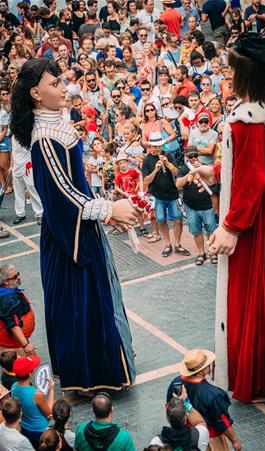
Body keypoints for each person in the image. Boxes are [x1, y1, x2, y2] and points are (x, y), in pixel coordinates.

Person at [11, 58, 138, 393]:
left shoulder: (56, 126)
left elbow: (74, 186)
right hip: (69, 237)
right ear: (36, 94)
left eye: (61, 81)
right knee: (81, 305)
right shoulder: (43, 138)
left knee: (94, 303)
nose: (64, 88)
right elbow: (61, 196)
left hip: (82, 226)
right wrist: (108, 208)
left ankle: (102, 368)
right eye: (55, 84)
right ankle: (90, 375)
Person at [204, 33, 265, 403]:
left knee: (251, 297)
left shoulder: (246, 121)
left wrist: (231, 225)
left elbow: (251, 179)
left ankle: (258, 378)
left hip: (254, 224)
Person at [167, 349, 242, 450]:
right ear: (201, 371)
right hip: (210, 439)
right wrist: (235, 440)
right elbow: (223, 422)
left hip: (184, 436)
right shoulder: (213, 394)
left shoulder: (175, 383)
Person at [142, 131, 190, 258]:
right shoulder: (147, 160)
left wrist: (168, 164)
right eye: (155, 146)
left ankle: (178, 245)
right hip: (157, 196)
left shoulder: (168, 155)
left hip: (172, 194)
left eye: (159, 146)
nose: (157, 148)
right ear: (150, 146)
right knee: (161, 220)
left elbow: (177, 173)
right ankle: (168, 244)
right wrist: (156, 170)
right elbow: (146, 181)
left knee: (177, 220)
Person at [176, 146, 217, 265]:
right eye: (190, 157)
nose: (193, 159)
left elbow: (214, 184)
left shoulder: (203, 166)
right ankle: (201, 253)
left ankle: (212, 253)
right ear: (186, 157)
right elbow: (178, 184)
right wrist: (190, 173)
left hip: (207, 205)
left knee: (211, 230)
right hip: (191, 206)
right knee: (196, 231)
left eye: (195, 156)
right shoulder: (184, 169)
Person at [11, 355, 54, 449]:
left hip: (25, 427)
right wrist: (51, 389)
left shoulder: (13, 386)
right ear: (30, 374)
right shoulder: (37, 395)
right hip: (40, 430)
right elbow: (49, 413)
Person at [0, 265, 36, 354]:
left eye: (18, 274)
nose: (18, 277)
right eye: (15, 277)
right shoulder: (8, 300)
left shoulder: (7, 291)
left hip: (16, 342)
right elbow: (13, 325)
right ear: (6, 282)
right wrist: (26, 345)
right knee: (29, 366)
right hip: (12, 345)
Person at [11, 137, 43, 225]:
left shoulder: (29, 136)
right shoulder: (13, 137)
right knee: (18, 192)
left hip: (27, 166)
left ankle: (40, 213)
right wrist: (11, 165)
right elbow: (13, 152)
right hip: (16, 167)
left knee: (32, 188)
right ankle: (20, 214)